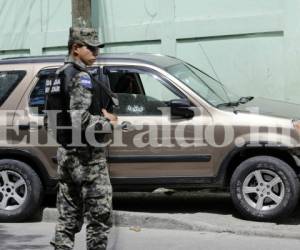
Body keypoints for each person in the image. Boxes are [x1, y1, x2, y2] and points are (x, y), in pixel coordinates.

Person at [49, 27, 117, 250]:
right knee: (99, 217)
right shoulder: (81, 77)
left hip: (66, 154)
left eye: (97, 47)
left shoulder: (59, 74)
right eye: (91, 47)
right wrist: (109, 123)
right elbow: (81, 120)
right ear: (76, 48)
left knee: (67, 218)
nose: (96, 51)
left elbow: (50, 118)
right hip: (87, 159)